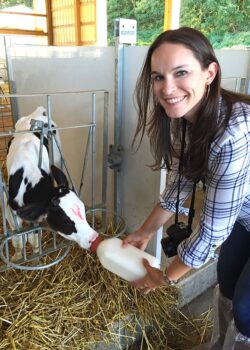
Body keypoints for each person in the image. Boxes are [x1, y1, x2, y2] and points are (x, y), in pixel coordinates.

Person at [122, 27, 250, 350]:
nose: (167, 88)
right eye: (158, 77)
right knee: (229, 279)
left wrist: (164, 278)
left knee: (247, 309)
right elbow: (182, 181)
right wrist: (145, 230)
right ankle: (223, 344)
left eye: (181, 73)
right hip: (244, 217)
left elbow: (211, 232)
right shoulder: (186, 119)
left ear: (210, 73)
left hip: (235, 217)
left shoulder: (233, 133)